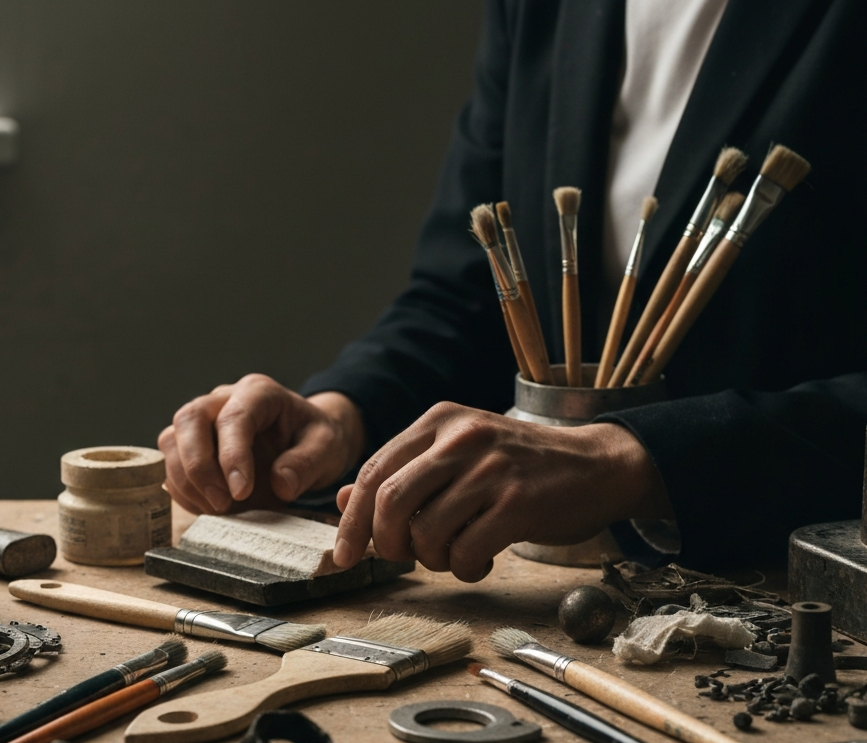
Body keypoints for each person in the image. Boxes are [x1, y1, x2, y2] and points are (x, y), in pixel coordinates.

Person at [160, 0, 867, 580]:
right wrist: (343, 416)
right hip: (539, 596)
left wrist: (637, 460)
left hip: (794, 603)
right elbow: (465, 299)